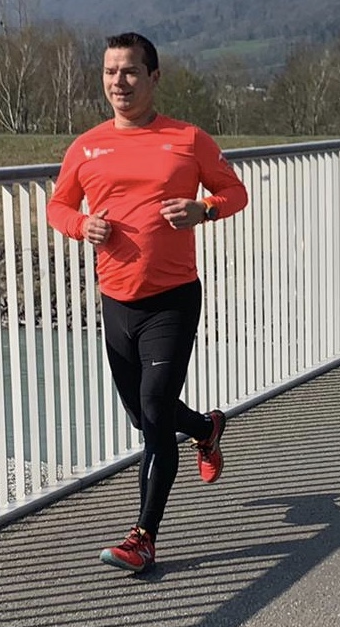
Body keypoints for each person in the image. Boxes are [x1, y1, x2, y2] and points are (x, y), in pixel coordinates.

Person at [47, 31, 249, 573]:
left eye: (131, 71)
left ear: (154, 78)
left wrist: (203, 210)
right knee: (143, 417)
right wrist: (80, 224)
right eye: (111, 72)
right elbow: (58, 206)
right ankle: (206, 430)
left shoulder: (187, 139)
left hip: (173, 298)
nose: (120, 82)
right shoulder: (86, 146)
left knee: (157, 410)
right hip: (117, 301)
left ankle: (144, 536)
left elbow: (236, 193)